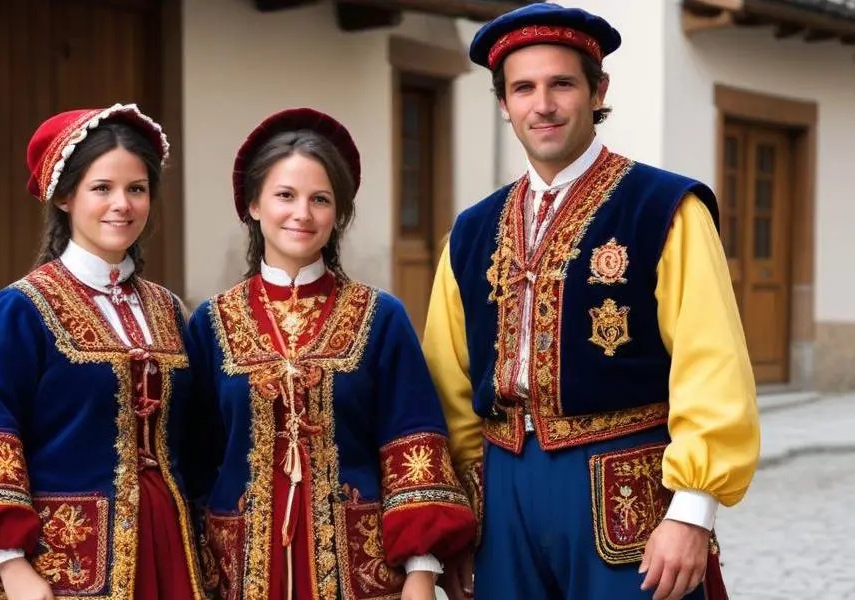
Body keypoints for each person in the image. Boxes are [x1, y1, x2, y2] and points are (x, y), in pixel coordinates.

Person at [422, 4, 761, 600]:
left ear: (597, 89)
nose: (542, 104)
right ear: (504, 103)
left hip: (625, 493)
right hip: (503, 501)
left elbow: (713, 366)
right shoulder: (470, 232)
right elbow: (447, 384)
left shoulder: (664, 210)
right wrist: (456, 516)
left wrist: (691, 512)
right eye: (523, 88)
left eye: (562, 84)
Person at [184, 108, 476, 600]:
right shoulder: (210, 323)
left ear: (338, 213)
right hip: (239, 571)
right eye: (285, 196)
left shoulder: (380, 317)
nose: (302, 213)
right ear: (253, 204)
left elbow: (412, 446)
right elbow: (193, 457)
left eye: (320, 199)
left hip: (362, 571)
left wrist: (422, 574)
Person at [0, 103, 205, 600]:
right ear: (65, 196)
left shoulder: (170, 310)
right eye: (102, 188)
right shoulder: (21, 309)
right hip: (60, 564)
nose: (123, 204)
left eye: (137, 189)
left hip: (171, 551)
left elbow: (196, 440)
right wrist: (11, 565)